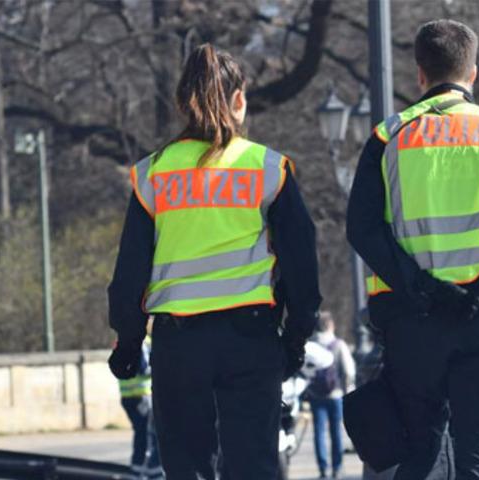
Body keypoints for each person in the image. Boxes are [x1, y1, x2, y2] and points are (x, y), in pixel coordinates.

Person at [347, 19, 479, 480]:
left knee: (420, 450)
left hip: (413, 322)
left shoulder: (387, 138)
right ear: (472, 73)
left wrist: (419, 287)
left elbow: (362, 228)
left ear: (420, 72)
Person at [107, 43, 321, 479]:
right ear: (239, 100)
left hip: (178, 344)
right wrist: (295, 338)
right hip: (250, 339)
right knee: (254, 466)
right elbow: (302, 266)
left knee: (186, 467)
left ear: (182, 103)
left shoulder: (153, 174)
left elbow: (130, 273)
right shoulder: (267, 169)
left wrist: (128, 343)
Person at [306, 311, 355, 479]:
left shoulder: (310, 345)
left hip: (315, 394)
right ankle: (337, 467)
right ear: (330, 325)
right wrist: (346, 388)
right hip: (336, 394)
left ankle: (322, 468)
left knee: (318, 431)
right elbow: (348, 370)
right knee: (336, 432)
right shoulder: (338, 344)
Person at [117, 335, 163, 479]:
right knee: (148, 435)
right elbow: (143, 369)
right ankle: (149, 472)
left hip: (127, 396)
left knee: (141, 433)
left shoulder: (122, 341)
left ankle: (139, 470)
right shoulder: (142, 341)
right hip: (141, 395)